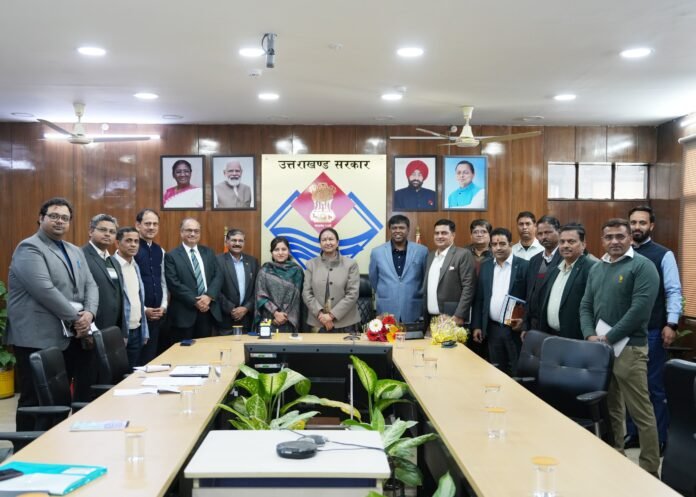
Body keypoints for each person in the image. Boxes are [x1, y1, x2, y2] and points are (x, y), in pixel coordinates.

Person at [7, 197, 99, 428]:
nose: (60, 221)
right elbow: (44, 290)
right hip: (37, 338)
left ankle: (53, 443)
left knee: (59, 399)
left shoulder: (74, 250)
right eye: (54, 216)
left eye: (65, 218)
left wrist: (89, 313)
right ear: (41, 218)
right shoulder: (29, 248)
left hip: (68, 336)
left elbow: (91, 284)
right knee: (35, 400)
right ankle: (25, 447)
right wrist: (77, 319)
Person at [579, 218, 660, 476]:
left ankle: (650, 470)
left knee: (641, 412)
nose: (614, 241)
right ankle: (617, 461)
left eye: (620, 236)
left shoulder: (643, 266)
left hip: (630, 350)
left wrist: (609, 337)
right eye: (609, 237)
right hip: (601, 350)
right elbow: (586, 305)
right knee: (612, 408)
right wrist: (590, 335)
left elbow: (639, 311)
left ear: (630, 238)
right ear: (602, 240)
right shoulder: (598, 268)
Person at [624, 206, 683, 454]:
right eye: (633, 222)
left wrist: (671, 323)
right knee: (629, 384)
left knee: (653, 386)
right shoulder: (622, 253)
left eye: (642, 222)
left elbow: (673, 291)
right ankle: (634, 434)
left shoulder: (663, 255)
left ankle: (658, 437)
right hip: (623, 333)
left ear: (652, 226)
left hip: (652, 331)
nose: (637, 227)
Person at [471, 227, 529, 375]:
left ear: (511, 244)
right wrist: (477, 325)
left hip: (514, 329)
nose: (498, 248)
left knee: (516, 371)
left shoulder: (524, 266)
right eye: (494, 244)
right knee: (496, 371)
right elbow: (479, 298)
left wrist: (524, 322)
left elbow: (531, 298)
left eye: (502, 243)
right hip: (493, 328)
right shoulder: (486, 266)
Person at [164, 218, 223, 341]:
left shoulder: (208, 252)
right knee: (183, 349)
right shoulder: (171, 256)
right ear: (181, 232)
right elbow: (174, 283)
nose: (193, 234)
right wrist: (196, 301)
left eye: (196, 231)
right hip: (184, 313)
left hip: (207, 311)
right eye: (189, 230)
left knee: (204, 348)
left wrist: (208, 296)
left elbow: (218, 276)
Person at [538, 223, 596, 340]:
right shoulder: (554, 270)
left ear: (583, 244)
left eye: (571, 241)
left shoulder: (592, 268)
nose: (565, 245)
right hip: (551, 335)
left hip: (576, 338)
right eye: (562, 242)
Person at [369, 215, 428, 323]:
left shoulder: (422, 251)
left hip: (413, 308)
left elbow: (425, 278)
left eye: (401, 228)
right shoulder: (377, 252)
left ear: (408, 229)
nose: (397, 231)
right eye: (394, 228)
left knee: (414, 334)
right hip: (386, 307)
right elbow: (374, 280)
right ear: (390, 230)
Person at [302, 228, 360, 333]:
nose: (328, 242)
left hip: (345, 322)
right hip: (318, 322)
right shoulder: (311, 264)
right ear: (320, 244)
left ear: (337, 242)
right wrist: (321, 315)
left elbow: (352, 294)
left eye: (331, 239)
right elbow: (306, 293)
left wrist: (331, 316)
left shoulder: (351, 264)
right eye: (324, 240)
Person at [423, 219, 477, 328]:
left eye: (444, 233)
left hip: (452, 318)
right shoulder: (430, 256)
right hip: (431, 319)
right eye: (437, 233)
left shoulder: (462, 254)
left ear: (453, 235)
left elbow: (469, 287)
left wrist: (459, 315)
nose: (439, 236)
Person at [113, 227, 150, 368]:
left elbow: (138, 298)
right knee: (118, 374)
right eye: (128, 241)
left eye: (136, 241)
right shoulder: (110, 265)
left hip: (137, 329)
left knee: (132, 372)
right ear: (117, 243)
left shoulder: (135, 265)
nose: (133, 244)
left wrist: (144, 330)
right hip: (119, 332)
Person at [134, 208, 168, 360]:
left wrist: (163, 306)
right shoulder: (131, 248)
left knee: (152, 358)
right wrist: (144, 310)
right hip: (138, 317)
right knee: (138, 360)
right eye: (147, 223)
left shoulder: (160, 250)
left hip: (158, 316)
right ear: (138, 225)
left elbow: (163, 282)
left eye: (155, 224)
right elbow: (128, 286)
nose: (152, 227)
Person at [255, 236, 304, 333]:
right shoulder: (264, 271)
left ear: (289, 252)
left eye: (284, 249)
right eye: (276, 250)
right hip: (269, 320)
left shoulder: (297, 271)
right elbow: (260, 296)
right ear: (272, 252)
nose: (280, 253)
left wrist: (284, 316)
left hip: (290, 321)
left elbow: (297, 299)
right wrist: (275, 313)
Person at [216, 228, 258, 333]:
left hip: (247, 318)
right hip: (225, 319)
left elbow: (258, 288)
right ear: (227, 242)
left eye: (240, 241)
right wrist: (231, 309)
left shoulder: (253, 261)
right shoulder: (217, 261)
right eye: (234, 240)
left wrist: (246, 308)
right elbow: (214, 288)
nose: (237, 243)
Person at [525, 215, 562, 330]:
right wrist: (526, 325)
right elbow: (529, 294)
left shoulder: (566, 259)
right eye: (540, 234)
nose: (543, 237)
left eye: (547, 232)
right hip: (535, 323)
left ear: (559, 232)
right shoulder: (535, 260)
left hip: (555, 324)